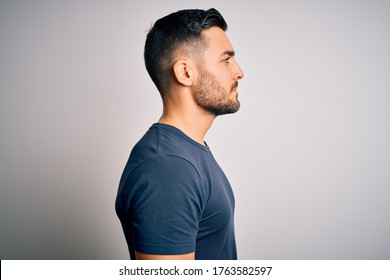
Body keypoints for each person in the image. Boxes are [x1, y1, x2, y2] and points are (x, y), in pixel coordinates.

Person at [115, 8, 244, 260]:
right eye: (226, 59)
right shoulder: (167, 168)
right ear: (185, 73)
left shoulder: (187, 151)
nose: (239, 71)